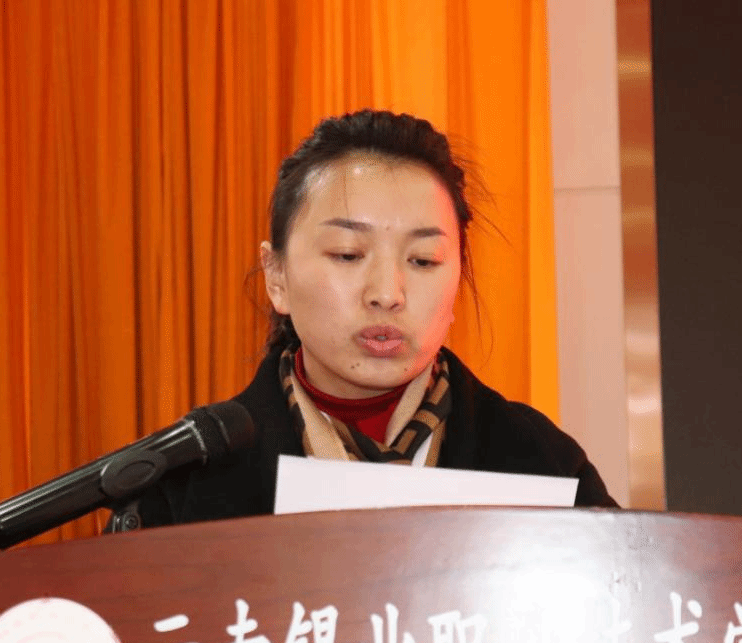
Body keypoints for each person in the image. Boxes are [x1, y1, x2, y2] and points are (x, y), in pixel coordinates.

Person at [132, 109, 616, 528]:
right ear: (276, 275)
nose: (387, 294)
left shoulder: (542, 464)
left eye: (423, 260)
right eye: (347, 254)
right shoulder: (190, 482)